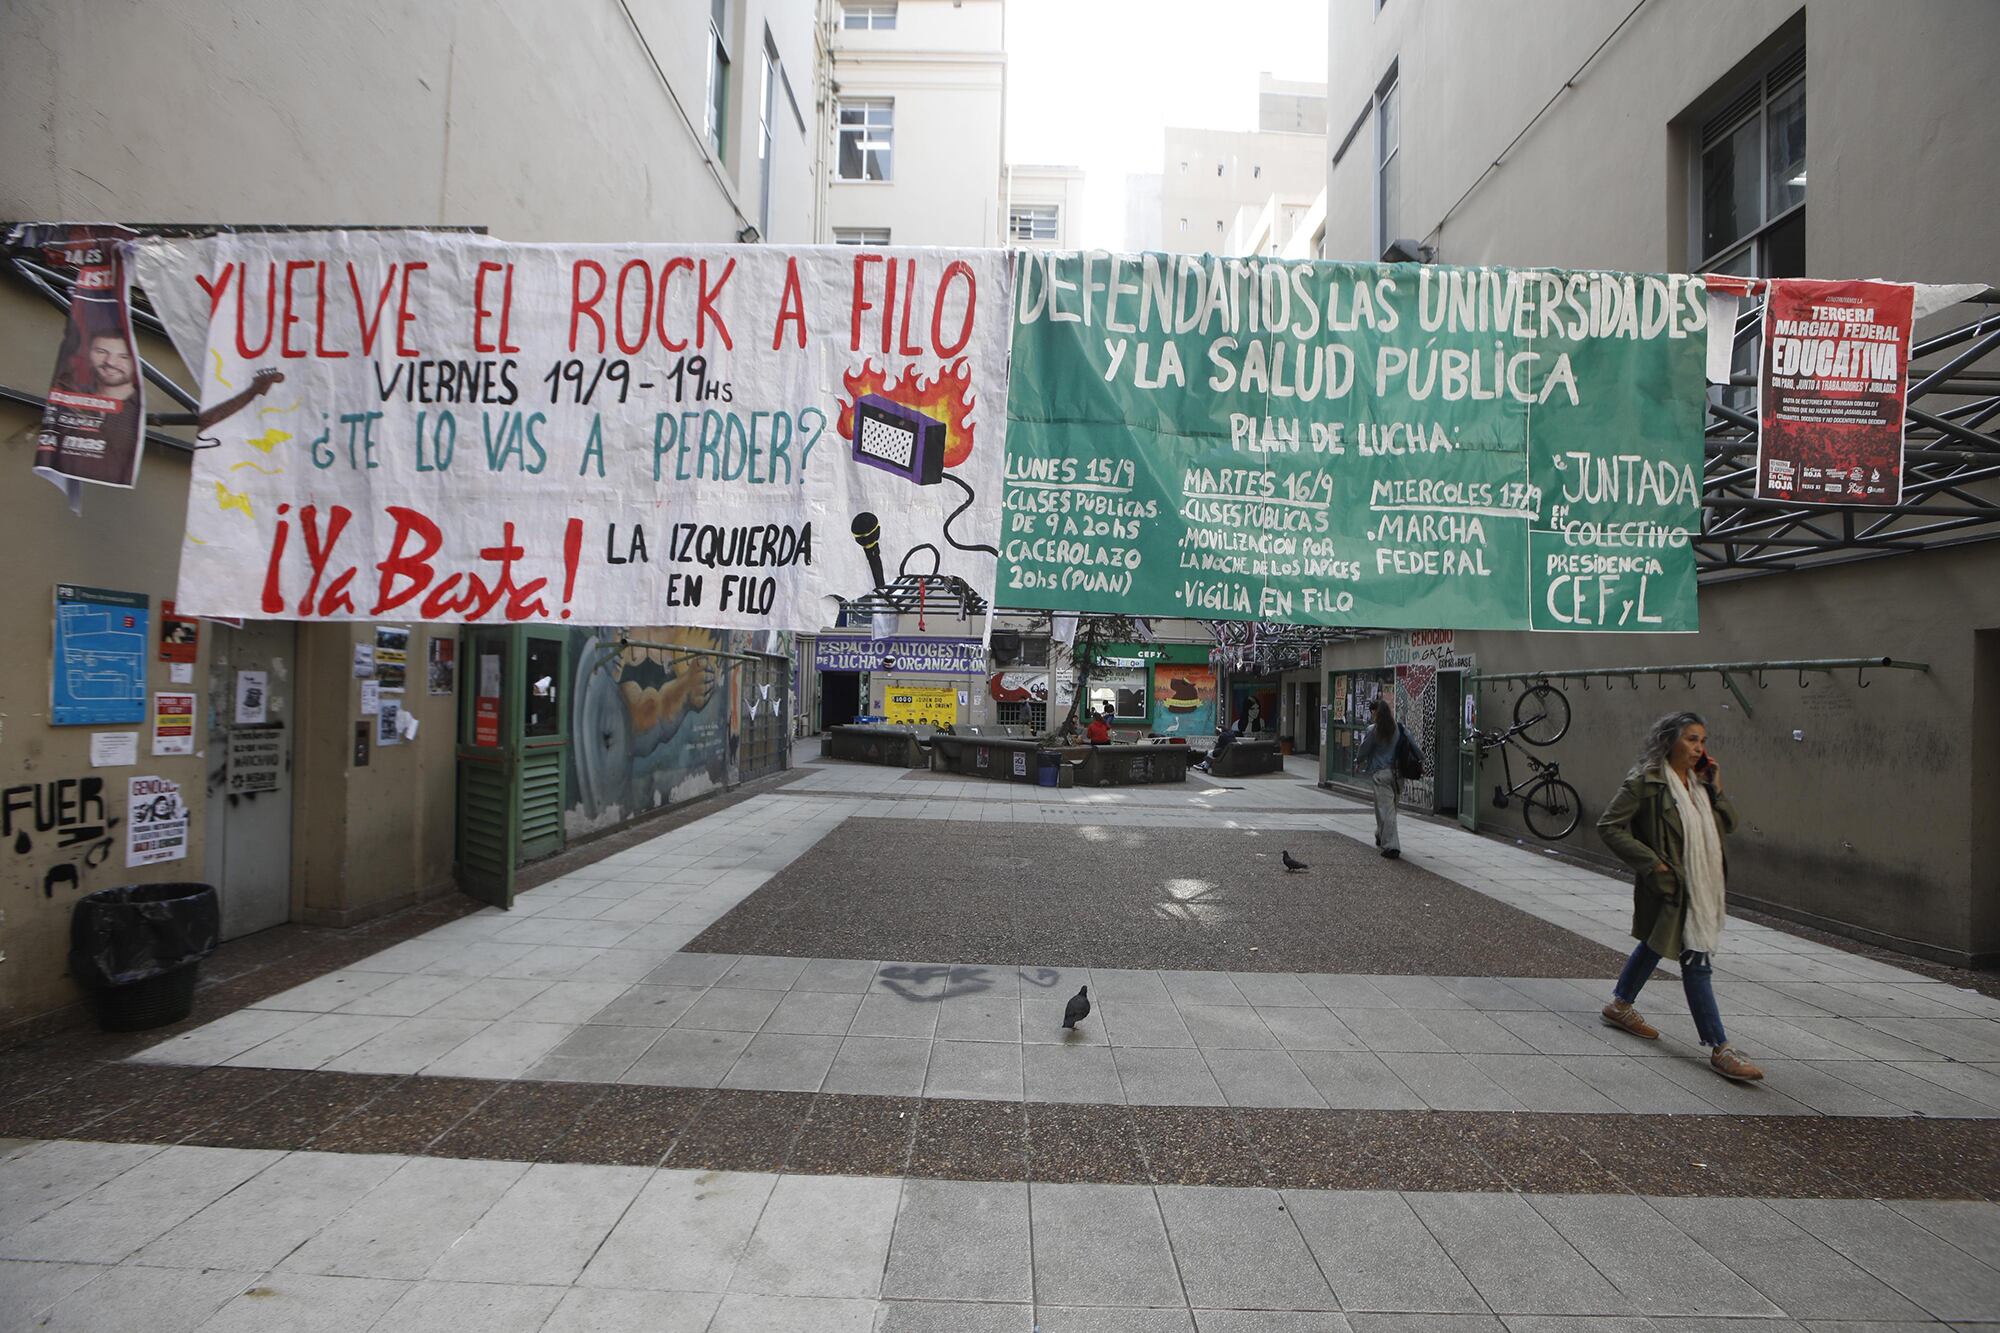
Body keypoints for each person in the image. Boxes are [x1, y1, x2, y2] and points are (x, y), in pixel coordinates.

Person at [1596, 711, 1765, 1083]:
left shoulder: (1700, 784)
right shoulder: (1646, 782)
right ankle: (1721, 1047)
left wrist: (1716, 789)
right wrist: (1653, 864)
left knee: (1657, 944)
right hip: (1674, 884)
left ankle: (1621, 1004)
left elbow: (1730, 824)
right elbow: (1608, 826)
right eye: (1691, 739)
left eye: (1702, 741)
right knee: (1696, 961)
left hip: (1702, 886)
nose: (1699, 748)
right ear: (1668, 740)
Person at [1354, 697, 1413, 858]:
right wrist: (1422, 762)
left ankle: (1392, 846)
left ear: (1376, 714)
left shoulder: (1374, 729)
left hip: (1381, 774)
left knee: (1386, 810)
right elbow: (1414, 747)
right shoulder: (1401, 729)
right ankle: (1381, 835)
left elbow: (1364, 748)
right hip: (1398, 775)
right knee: (1390, 809)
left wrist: (1357, 761)